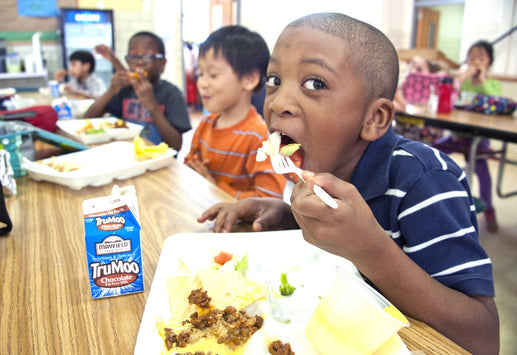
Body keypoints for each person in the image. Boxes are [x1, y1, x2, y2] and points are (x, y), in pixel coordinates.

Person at [197, 13, 499, 354]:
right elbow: (338, 250)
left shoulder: (424, 182)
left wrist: (369, 249)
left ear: (374, 118)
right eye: (274, 79)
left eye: (315, 84)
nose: (278, 103)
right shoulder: (325, 164)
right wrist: (285, 215)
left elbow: (484, 337)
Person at [184, 25, 285, 200]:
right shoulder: (205, 124)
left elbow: (269, 200)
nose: (202, 83)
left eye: (213, 75)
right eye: (201, 74)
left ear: (249, 79)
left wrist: (214, 186)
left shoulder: (259, 138)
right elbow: (189, 167)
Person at [433, 40, 501, 233]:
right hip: (457, 136)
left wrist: (483, 80)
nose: (476, 62)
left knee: (481, 168)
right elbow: (451, 98)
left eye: (481, 58)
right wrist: (462, 78)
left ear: (489, 62)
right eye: (472, 58)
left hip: (478, 138)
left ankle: (488, 208)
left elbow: (494, 101)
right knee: (433, 150)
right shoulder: (464, 82)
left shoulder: (492, 84)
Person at [85, 32, 191, 150]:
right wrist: (111, 90)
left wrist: (152, 106)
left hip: (158, 161)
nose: (140, 62)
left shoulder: (171, 94)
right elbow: (88, 118)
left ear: (162, 63)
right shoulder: (124, 90)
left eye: (148, 56)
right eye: (134, 57)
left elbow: (176, 145)